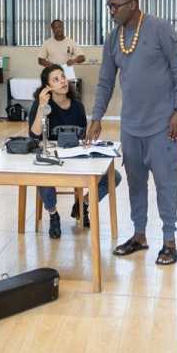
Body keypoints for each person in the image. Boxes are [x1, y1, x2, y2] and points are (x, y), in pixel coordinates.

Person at [86, 0, 177, 265]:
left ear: (133, 4)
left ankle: (169, 241)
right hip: (130, 127)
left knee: (167, 183)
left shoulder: (160, 29)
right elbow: (105, 82)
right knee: (135, 183)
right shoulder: (113, 39)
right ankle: (139, 236)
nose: (111, 11)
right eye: (109, 6)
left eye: (114, 6)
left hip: (162, 125)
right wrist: (96, 117)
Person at [29, 64, 121, 239]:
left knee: (113, 177)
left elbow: (81, 136)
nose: (62, 81)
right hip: (52, 159)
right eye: (56, 79)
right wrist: (41, 107)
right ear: (47, 87)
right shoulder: (41, 105)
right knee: (42, 175)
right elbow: (34, 134)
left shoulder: (78, 106)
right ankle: (53, 214)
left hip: (75, 157)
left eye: (63, 77)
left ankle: (82, 204)